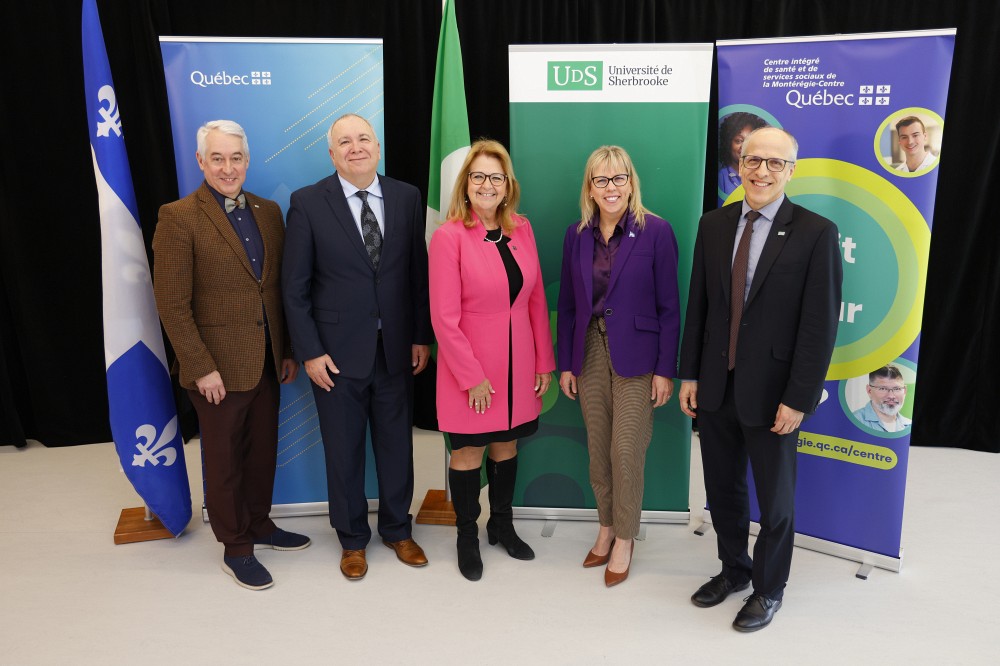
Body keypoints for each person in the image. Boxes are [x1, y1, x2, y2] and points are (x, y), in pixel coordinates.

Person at [679, 127, 842, 631]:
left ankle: (769, 589)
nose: (762, 171)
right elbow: (700, 307)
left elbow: (820, 327)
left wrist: (799, 398)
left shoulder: (816, 232)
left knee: (775, 502)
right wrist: (689, 374)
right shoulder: (713, 224)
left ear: (791, 170)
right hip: (715, 385)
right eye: (754, 161)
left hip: (775, 396)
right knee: (723, 490)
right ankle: (735, 570)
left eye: (775, 163)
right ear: (739, 165)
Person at [153, 120, 310, 591]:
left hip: (264, 360)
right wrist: (201, 367)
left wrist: (284, 350)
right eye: (217, 158)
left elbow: (277, 289)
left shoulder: (268, 211)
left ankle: (260, 524)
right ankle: (236, 546)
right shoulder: (178, 217)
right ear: (201, 162)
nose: (228, 167)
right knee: (223, 461)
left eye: (236, 157)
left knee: (262, 452)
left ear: (247, 159)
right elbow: (171, 303)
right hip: (216, 369)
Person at [282, 114, 432, 581]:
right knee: (343, 452)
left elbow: (416, 274)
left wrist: (419, 335)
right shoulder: (307, 203)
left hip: (395, 350)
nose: (355, 147)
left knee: (395, 449)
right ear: (332, 154)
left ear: (378, 147)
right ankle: (351, 541)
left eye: (363, 138)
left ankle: (397, 530)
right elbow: (294, 287)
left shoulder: (406, 197)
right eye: (344, 142)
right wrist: (309, 351)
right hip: (335, 355)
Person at [428, 139, 555, 581]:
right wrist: (472, 378)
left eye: (495, 177)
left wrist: (543, 361)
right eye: (478, 176)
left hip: (519, 363)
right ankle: (467, 535)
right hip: (470, 367)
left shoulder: (522, 228)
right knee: (467, 452)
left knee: (507, 445)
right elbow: (443, 318)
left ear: (507, 186)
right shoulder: (448, 237)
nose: (487, 184)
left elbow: (536, 299)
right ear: (466, 185)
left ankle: (501, 524)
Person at [557, 145, 680, 588]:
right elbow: (568, 305)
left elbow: (670, 306)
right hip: (588, 350)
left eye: (619, 178)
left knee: (625, 450)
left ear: (632, 182)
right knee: (598, 450)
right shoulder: (577, 234)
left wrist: (666, 370)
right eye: (601, 180)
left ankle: (626, 537)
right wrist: (566, 364)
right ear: (589, 186)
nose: (611, 188)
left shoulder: (657, 231)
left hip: (639, 356)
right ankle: (605, 527)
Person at [718, 113, 768, 199]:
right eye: (738, 141)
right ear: (728, 144)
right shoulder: (722, 177)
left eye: (749, 141)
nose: (744, 146)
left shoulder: (763, 175)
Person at [852, 365, 912, 433]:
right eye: (883, 389)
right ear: (869, 390)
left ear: (905, 391)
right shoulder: (853, 421)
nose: (891, 396)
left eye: (897, 389)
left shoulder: (909, 426)